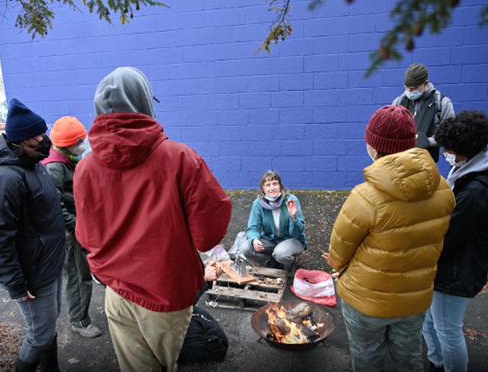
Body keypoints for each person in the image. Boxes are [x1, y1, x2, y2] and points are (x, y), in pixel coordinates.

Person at [73, 67, 232, 372]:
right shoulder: (180, 159)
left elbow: (86, 237)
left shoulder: (85, 168)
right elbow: (208, 235)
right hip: (165, 295)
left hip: (117, 292)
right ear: (144, 105)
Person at [325, 105, 455, 372]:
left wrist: (340, 269)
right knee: (409, 361)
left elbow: (339, 252)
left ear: (373, 146)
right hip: (414, 299)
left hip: (366, 301)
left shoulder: (365, 196)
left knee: (367, 362)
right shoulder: (443, 189)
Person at [0, 99, 65, 372]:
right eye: (35, 141)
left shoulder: (33, 162)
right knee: (39, 334)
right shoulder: (6, 178)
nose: (43, 144)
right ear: (17, 143)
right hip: (32, 273)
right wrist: (15, 283)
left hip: (49, 263)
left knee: (50, 324)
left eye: (43, 136)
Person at [423, 111, 488, 372]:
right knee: (430, 322)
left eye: (450, 150)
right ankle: (437, 364)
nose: (447, 154)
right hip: (451, 266)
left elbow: (447, 235)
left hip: (456, 272)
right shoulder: (474, 168)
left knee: (447, 330)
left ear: (466, 150)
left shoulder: (477, 191)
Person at [41, 116, 102, 338]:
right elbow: (56, 208)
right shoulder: (55, 168)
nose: (84, 144)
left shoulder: (67, 159)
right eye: (80, 140)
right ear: (69, 143)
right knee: (77, 276)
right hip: (70, 234)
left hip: (79, 228)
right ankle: (79, 321)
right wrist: (79, 227)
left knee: (85, 271)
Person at [240, 170, 307, 270]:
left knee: (281, 254)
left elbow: (298, 233)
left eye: (275, 184)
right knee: (245, 248)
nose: (272, 188)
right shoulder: (258, 204)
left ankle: (288, 267)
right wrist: (254, 239)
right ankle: (271, 262)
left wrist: (293, 217)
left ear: (280, 186)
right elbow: (253, 227)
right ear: (263, 189)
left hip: (291, 239)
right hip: (270, 240)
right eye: (268, 185)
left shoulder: (291, 200)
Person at [392, 63, 454, 162]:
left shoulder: (441, 102)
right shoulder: (399, 102)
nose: (409, 91)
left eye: (413, 88)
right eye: (406, 87)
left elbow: (450, 135)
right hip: (401, 161)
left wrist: (427, 141)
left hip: (426, 163)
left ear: (425, 83)